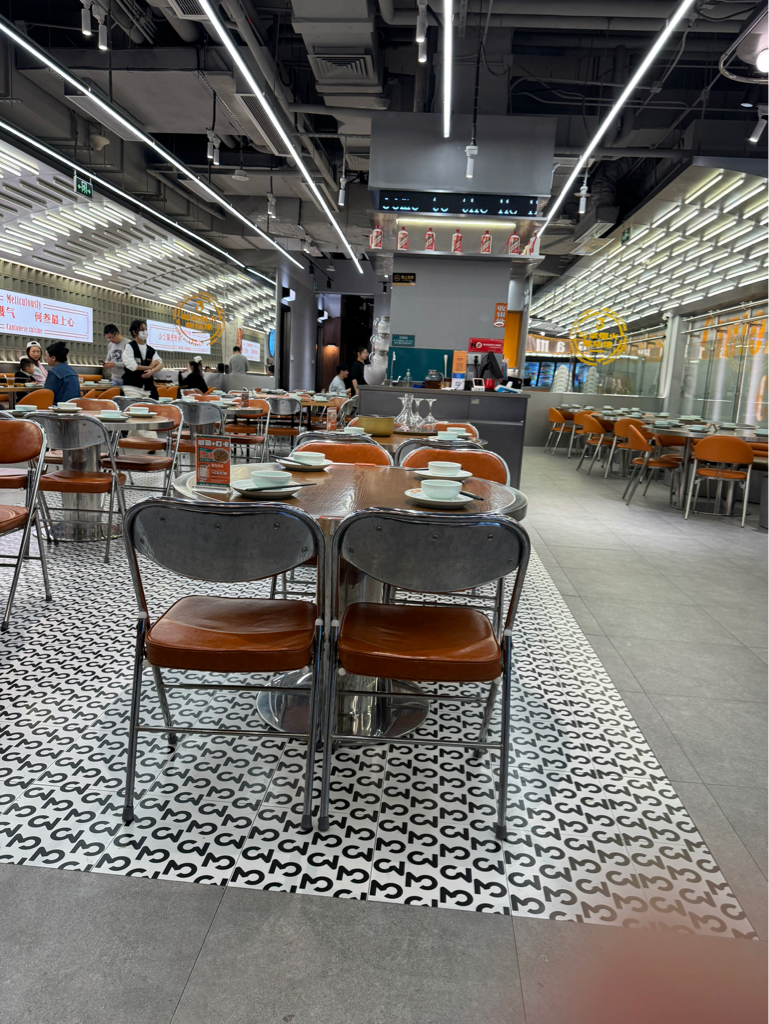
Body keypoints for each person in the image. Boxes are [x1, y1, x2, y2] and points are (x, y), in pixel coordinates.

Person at [122, 319, 163, 400]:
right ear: (134, 332)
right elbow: (132, 366)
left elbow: (160, 364)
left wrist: (152, 371)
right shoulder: (130, 347)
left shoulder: (150, 350)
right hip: (132, 386)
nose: (145, 332)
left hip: (147, 387)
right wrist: (149, 367)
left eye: (146, 330)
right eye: (142, 330)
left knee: (148, 405)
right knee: (136, 406)